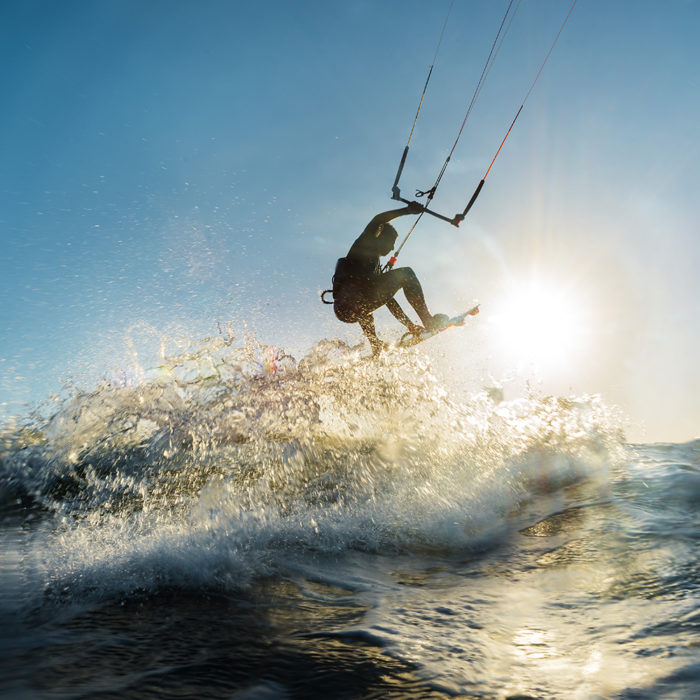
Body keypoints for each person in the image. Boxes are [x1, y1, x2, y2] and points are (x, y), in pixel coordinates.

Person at [332, 201, 448, 355]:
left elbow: (387, 300)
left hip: (347, 308)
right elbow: (378, 219)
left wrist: (408, 325)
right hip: (350, 300)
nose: (393, 247)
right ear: (380, 237)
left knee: (364, 308)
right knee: (407, 273)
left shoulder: (374, 268)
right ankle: (427, 319)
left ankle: (375, 345)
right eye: (391, 242)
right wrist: (407, 210)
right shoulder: (364, 244)